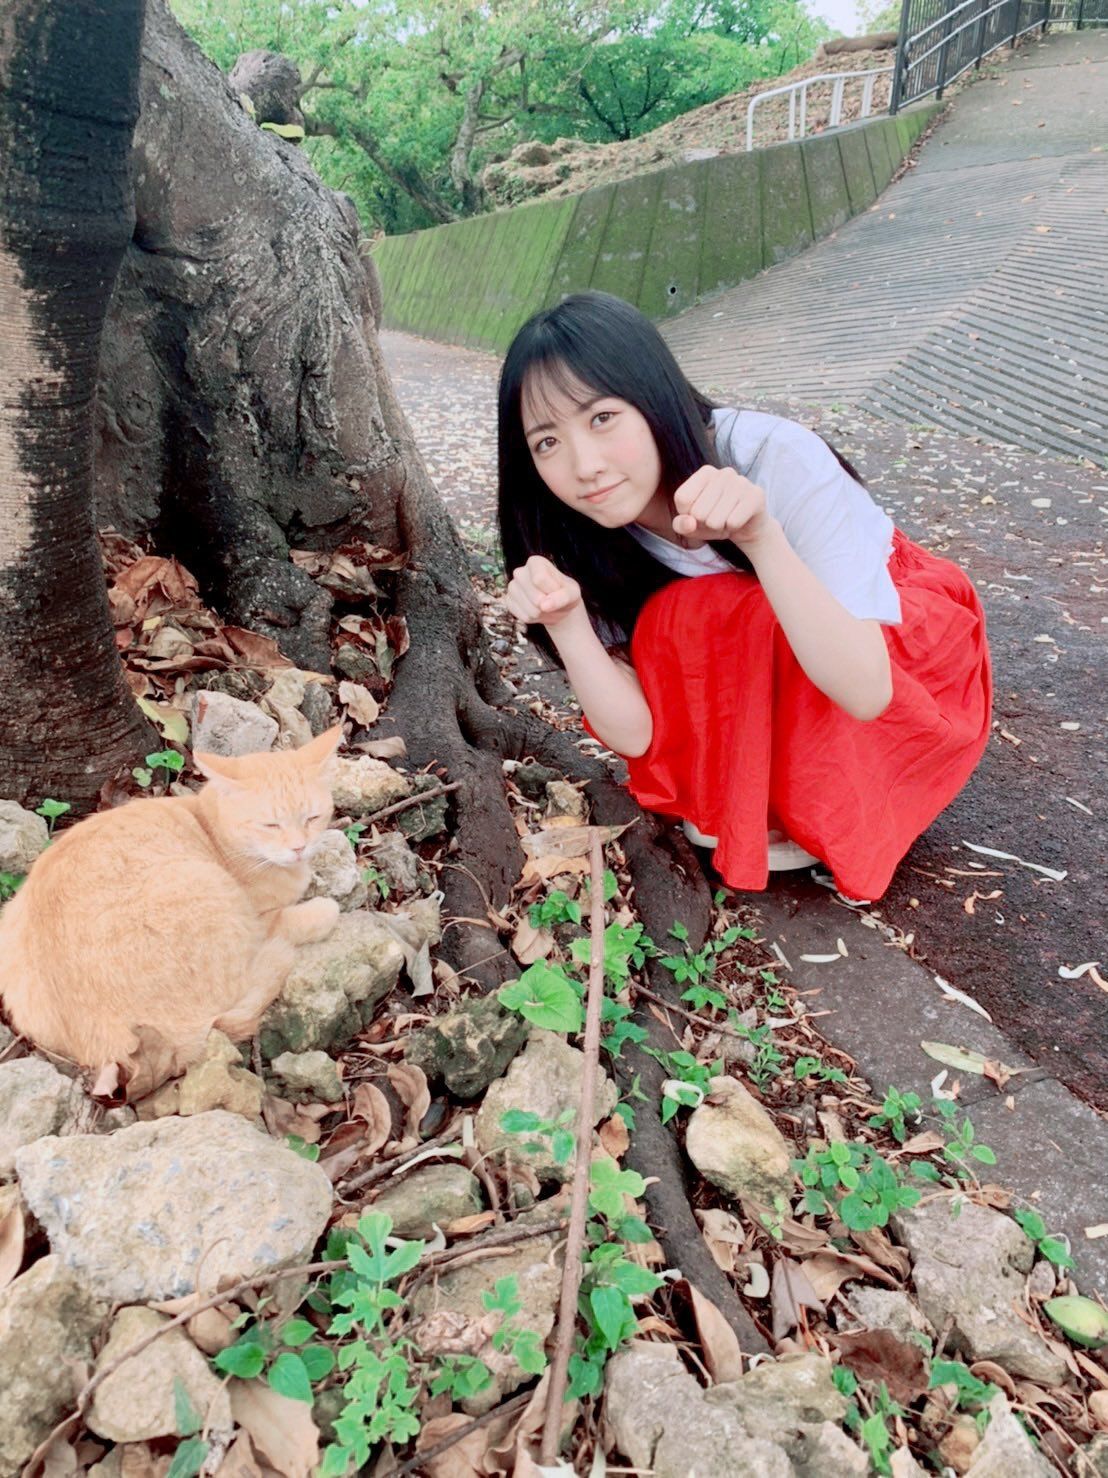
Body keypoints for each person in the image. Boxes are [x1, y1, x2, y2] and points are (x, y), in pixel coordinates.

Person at [497, 291, 991, 902]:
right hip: (770, 654)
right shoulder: (570, 530)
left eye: (601, 418)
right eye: (547, 442)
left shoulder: (770, 455)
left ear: (653, 396)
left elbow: (868, 690)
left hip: (895, 649)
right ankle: (758, 794)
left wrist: (761, 539)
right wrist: (569, 623)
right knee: (682, 616)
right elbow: (637, 734)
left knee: (732, 609)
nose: (585, 466)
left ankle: (824, 799)